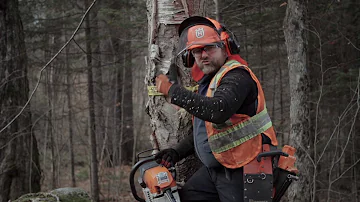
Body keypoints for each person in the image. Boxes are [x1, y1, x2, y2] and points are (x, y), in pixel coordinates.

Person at [155, 16, 278, 202]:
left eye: (209, 48)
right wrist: (177, 152)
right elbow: (208, 130)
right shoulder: (211, 82)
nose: (203, 55)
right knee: (187, 196)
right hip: (220, 167)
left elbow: (217, 111)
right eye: (197, 51)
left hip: (246, 166)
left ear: (224, 47)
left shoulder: (237, 76)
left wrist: (172, 91)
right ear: (190, 56)